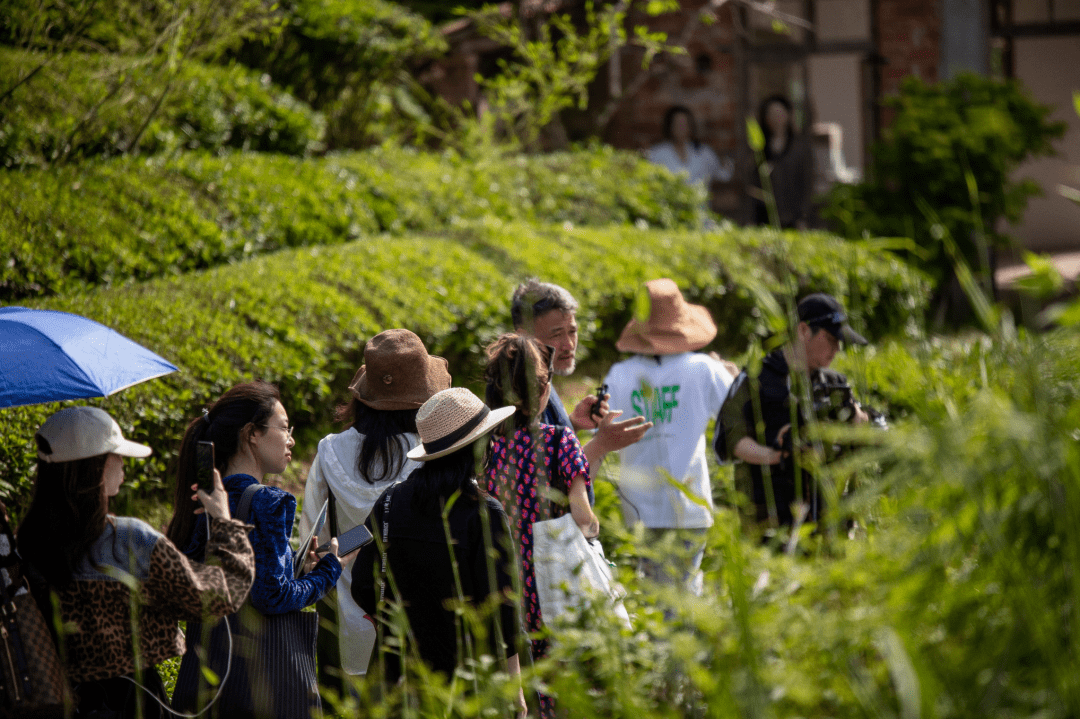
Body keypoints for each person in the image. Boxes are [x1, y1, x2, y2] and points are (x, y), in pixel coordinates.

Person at [16, 406, 255, 718]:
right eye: (118, 455)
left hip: (56, 702)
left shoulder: (25, 544)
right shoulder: (130, 540)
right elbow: (218, 594)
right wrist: (223, 522)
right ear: (97, 467)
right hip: (133, 700)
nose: (123, 464)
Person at [169, 381, 344, 719]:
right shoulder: (269, 501)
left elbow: (236, 577)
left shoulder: (201, 497)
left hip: (204, 679)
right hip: (258, 686)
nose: (291, 439)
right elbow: (271, 597)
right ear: (251, 434)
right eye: (284, 428)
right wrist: (328, 570)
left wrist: (294, 567)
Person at [351, 387, 527, 715]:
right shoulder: (484, 513)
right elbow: (504, 611)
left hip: (397, 674)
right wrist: (515, 689)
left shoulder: (389, 502)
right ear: (475, 449)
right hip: (466, 680)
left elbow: (362, 583)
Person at [299, 329, 451, 690]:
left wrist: (351, 542)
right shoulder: (432, 456)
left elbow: (310, 543)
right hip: (417, 619)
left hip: (346, 614)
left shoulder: (329, 452)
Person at [483, 334, 600, 718]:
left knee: (522, 667)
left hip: (507, 575)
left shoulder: (484, 448)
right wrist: (592, 530)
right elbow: (584, 517)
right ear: (544, 387)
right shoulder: (558, 441)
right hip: (555, 574)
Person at [602, 279, 734, 595]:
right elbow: (742, 417)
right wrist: (728, 373)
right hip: (688, 501)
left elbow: (598, 429)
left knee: (652, 595)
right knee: (687, 591)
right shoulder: (704, 369)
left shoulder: (619, 375)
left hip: (637, 506)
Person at [717, 293, 869, 533]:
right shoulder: (757, 379)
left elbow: (861, 430)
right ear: (803, 331)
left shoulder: (835, 383)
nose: (837, 350)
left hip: (827, 521)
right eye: (830, 339)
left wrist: (856, 419)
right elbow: (731, 440)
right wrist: (782, 455)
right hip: (770, 522)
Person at [511, 278, 653, 504]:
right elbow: (546, 487)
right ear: (523, 336)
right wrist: (601, 444)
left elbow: (545, 454)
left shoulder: (541, 378)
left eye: (572, 331)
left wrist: (571, 424)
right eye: (556, 334)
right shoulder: (519, 393)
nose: (568, 344)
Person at [749, 95, 813, 229]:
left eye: (779, 113)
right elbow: (752, 184)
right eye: (771, 114)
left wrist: (803, 216)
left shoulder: (800, 148)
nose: (776, 118)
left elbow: (807, 184)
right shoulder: (759, 149)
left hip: (793, 218)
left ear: (788, 115)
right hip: (765, 219)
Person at [646, 105, 734, 192]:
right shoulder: (657, 153)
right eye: (677, 124)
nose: (681, 128)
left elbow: (724, 175)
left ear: (690, 126)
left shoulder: (703, 152)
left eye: (684, 124)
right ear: (669, 126)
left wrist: (724, 158)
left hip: (700, 205)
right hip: (668, 205)